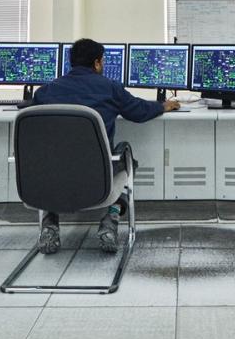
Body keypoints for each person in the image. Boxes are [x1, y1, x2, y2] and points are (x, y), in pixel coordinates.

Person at [33, 38, 180, 254]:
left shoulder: (45, 92)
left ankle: (50, 225)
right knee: (129, 160)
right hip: (97, 179)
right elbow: (138, 111)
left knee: (59, 161)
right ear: (97, 63)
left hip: (52, 180)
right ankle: (110, 219)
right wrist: (163, 106)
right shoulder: (109, 88)